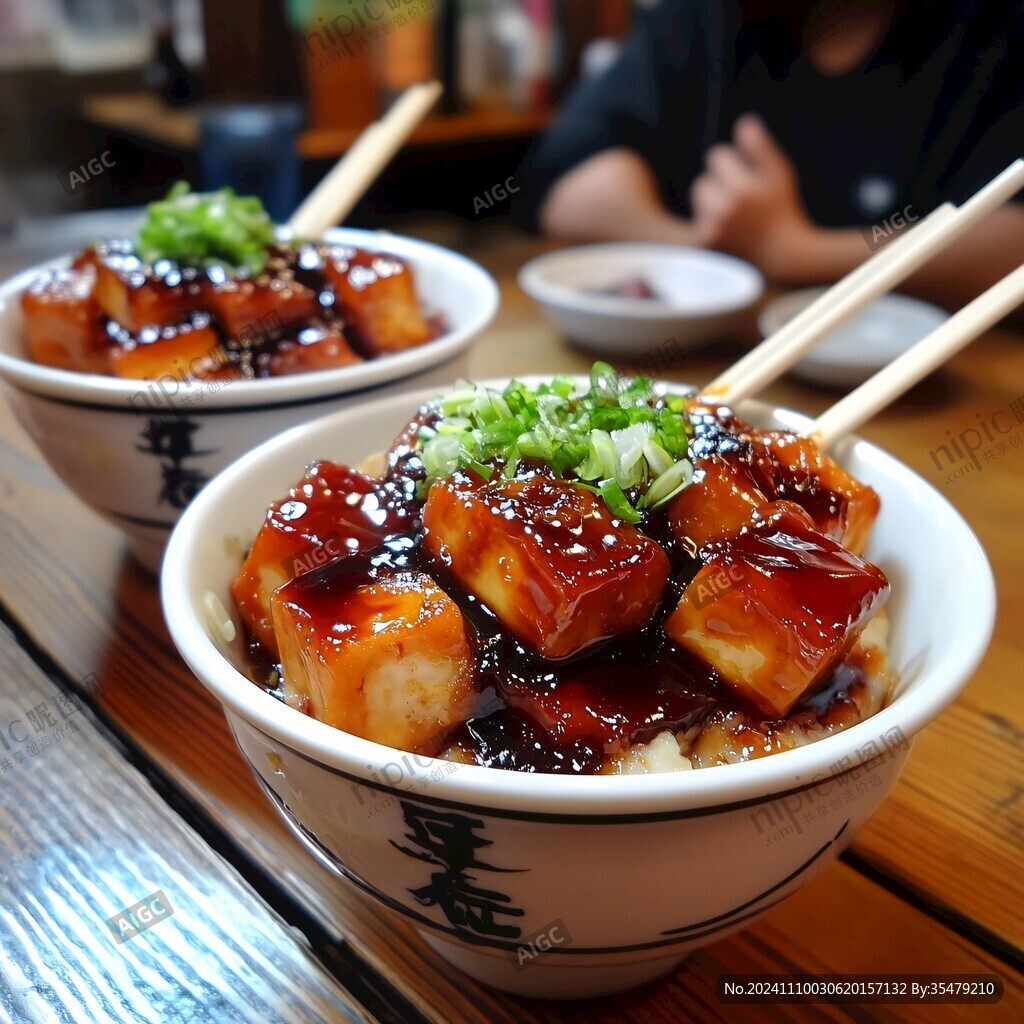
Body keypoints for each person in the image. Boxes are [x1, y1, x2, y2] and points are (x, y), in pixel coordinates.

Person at [516, 0, 1023, 305]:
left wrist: (794, 251)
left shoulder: (992, 33)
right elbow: (567, 179)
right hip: (717, 360)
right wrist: (710, 252)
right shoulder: (711, 16)